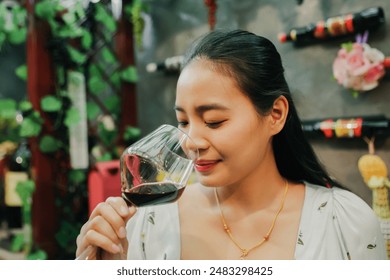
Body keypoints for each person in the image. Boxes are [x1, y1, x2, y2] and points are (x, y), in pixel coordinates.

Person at [76, 29, 387, 260]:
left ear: (275, 115)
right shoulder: (149, 224)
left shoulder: (344, 224)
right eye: (183, 122)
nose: (191, 142)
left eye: (213, 121)